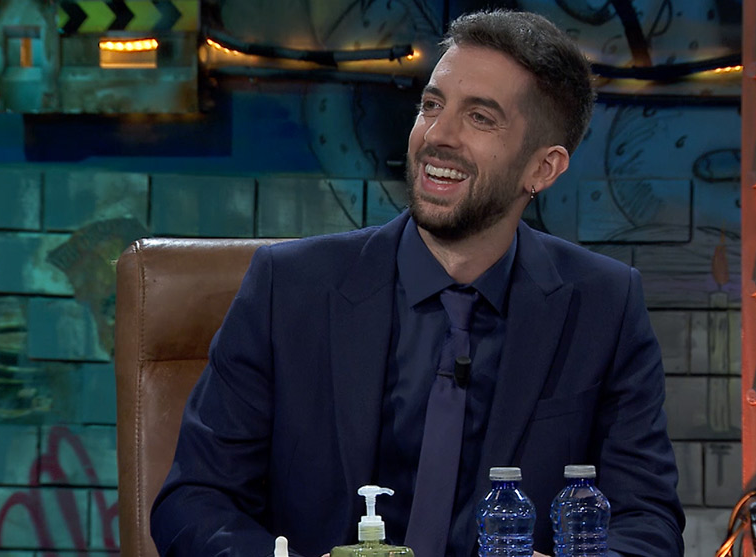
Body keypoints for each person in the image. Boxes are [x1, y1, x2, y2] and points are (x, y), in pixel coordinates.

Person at [151, 9, 684, 557]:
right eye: (431, 105)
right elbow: (194, 501)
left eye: (480, 118)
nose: (438, 135)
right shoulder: (288, 289)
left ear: (543, 169)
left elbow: (647, 523)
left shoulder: (604, 306)